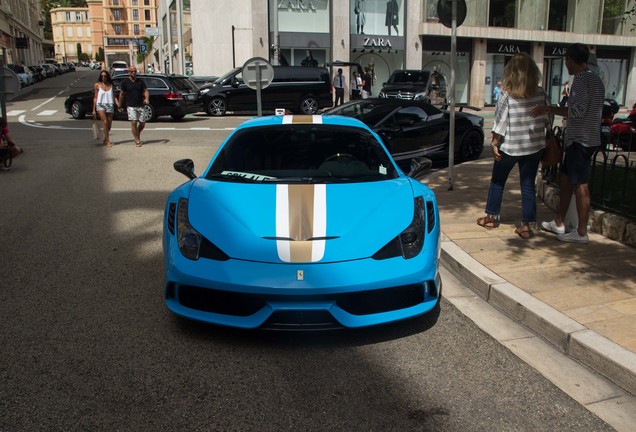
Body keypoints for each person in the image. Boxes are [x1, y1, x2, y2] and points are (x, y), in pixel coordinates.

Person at [532, 43, 605, 244]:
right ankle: (560, 221)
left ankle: (581, 232)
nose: (565, 64)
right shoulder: (595, 79)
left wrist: (549, 109)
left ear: (570, 60)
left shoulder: (581, 80)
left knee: (580, 183)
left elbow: (577, 111)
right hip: (585, 138)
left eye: (566, 60)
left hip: (581, 139)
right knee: (564, 178)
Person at [476, 53, 550, 239]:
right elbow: (548, 118)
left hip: (510, 146)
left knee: (498, 181)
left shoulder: (506, 94)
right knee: (528, 184)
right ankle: (527, 225)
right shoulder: (540, 93)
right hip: (533, 147)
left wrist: (494, 143)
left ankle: (491, 217)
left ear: (510, 72)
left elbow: (501, 121)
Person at [118, 66, 150, 147]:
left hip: (140, 105)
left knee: (142, 123)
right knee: (134, 122)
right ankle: (137, 139)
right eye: (132, 71)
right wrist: (119, 104)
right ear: (129, 72)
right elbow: (121, 94)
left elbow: (145, 91)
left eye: (135, 71)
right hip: (131, 105)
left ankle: (137, 133)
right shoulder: (125, 82)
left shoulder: (140, 82)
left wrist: (146, 98)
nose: (134, 73)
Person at [92, 70, 117, 147]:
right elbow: (95, 97)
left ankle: (105, 138)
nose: (103, 78)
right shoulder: (97, 85)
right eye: (102, 76)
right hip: (100, 105)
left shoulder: (111, 85)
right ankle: (108, 141)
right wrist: (93, 110)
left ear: (107, 77)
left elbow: (114, 96)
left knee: (109, 125)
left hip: (110, 105)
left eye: (105, 76)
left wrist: (118, 105)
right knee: (105, 122)